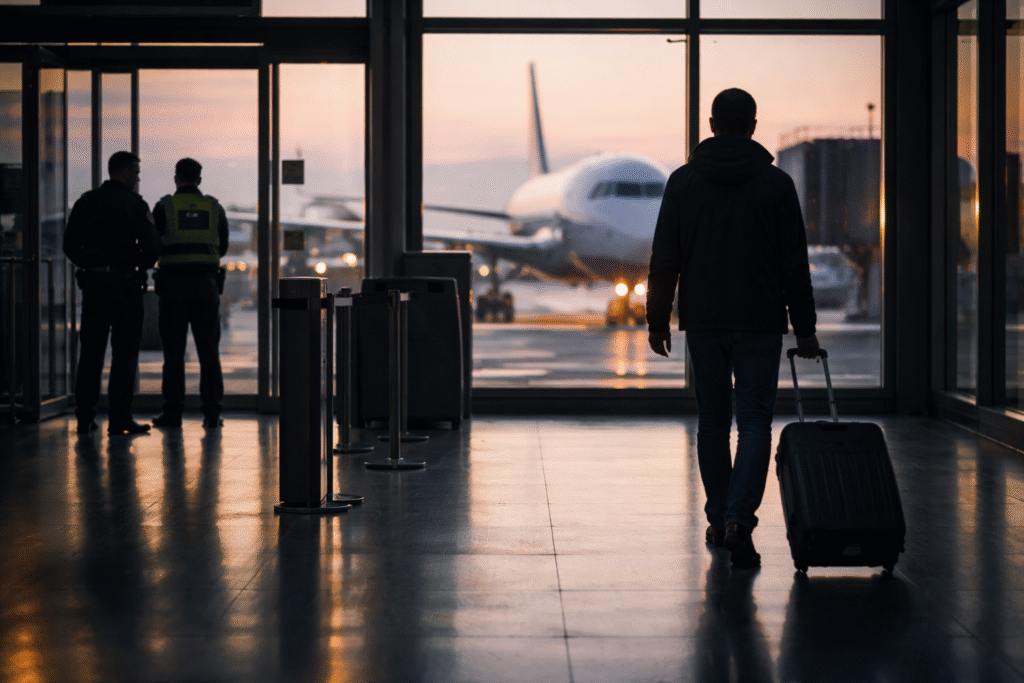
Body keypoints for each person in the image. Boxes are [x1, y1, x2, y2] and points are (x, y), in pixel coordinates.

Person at [646, 88, 820, 568]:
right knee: (755, 423)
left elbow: (665, 260)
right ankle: (740, 520)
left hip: (703, 322)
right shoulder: (776, 186)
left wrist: (657, 319)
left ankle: (721, 515)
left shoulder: (682, 183)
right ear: (752, 125)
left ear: (712, 123)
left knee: (712, 422)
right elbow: (794, 265)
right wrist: (804, 329)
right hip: (760, 323)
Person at [64, 151, 160, 435]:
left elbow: (69, 245)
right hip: (124, 286)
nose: (138, 179)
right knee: (124, 354)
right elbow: (153, 247)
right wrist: (136, 266)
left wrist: (89, 264)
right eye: (137, 174)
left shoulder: (86, 202)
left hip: (94, 285)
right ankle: (119, 418)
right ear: (127, 173)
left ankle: (85, 417)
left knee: (91, 353)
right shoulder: (134, 204)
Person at [151, 157, 229, 430]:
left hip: (173, 288)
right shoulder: (214, 207)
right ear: (199, 179)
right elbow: (224, 246)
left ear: (176, 178)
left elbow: (153, 244)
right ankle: (211, 415)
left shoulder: (165, 207)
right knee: (209, 353)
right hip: (206, 287)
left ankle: (172, 415)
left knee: (174, 356)